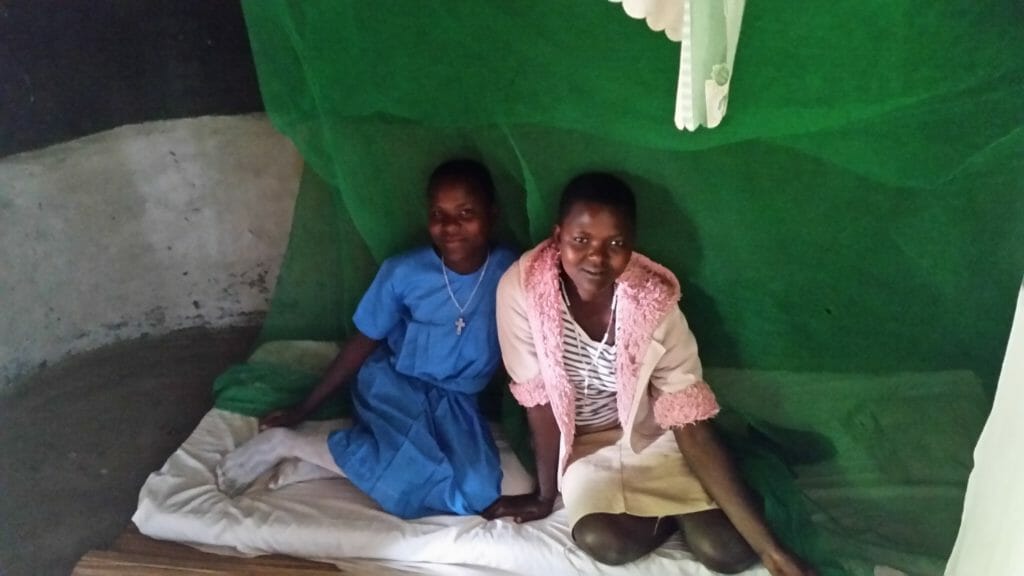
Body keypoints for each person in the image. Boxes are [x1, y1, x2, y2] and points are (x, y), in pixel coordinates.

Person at [484, 173, 814, 575]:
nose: (596, 258)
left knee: (729, 552)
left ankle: (698, 503)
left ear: (632, 244)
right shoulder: (522, 290)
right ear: (558, 236)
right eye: (581, 240)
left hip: (651, 434)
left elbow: (686, 416)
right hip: (583, 443)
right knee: (604, 540)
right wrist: (544, 496)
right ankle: (674, 514)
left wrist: (773, 553)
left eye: (616, 244)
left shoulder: (652, 302)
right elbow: (539, 405)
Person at [216, 159, 518, 519]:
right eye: (438, 213)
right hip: (394, 384)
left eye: (466, 212)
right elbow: (362, 343)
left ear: (492, 214)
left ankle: (329, 462)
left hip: (455, 400)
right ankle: (286, 443)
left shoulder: (511, 271)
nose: (450, 226)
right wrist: (303, 410)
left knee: (479, 492)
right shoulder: (403, 272)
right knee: (416, 466)